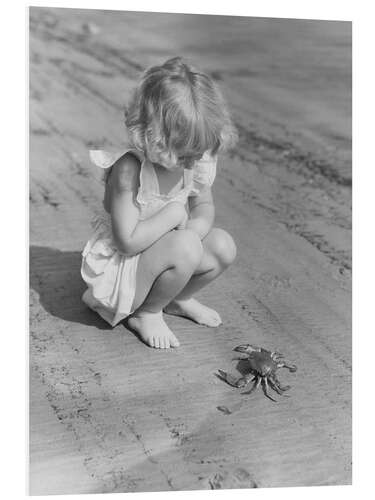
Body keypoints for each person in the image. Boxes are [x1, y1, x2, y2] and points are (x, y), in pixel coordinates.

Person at [81, 56, 238, 349]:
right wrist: (173, 216)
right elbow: (126, 242)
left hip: (166, 253)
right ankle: (146, 313)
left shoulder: (193, 159)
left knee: (222, 246)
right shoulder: (130, 169)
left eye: (198, 151)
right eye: (185, 154)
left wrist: (193, 230)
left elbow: (204, 207)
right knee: (186, 246)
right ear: (154, 138)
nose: (193, 161)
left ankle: (176, 298)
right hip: (125, 270)